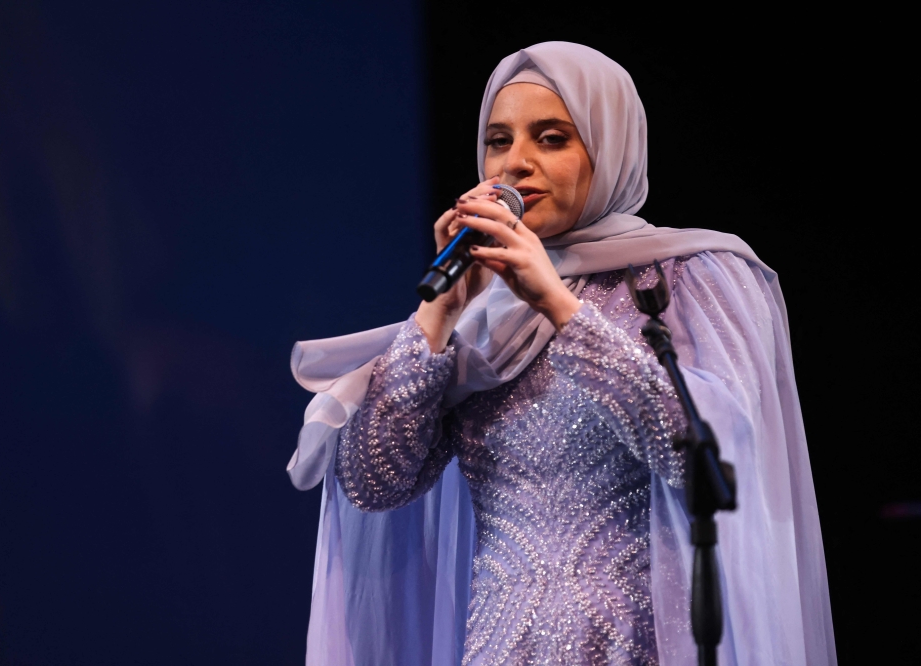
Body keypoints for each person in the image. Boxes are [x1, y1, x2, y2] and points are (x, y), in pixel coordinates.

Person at [288, 42, 835, 666]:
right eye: (498, 140)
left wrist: (559, 305)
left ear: (611, 147)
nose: (515, 163)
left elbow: (708, 456)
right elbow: (374, 482)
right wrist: (438, 315)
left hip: (645, 647)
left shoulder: (689, 274)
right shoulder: (488, 313)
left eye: (551, 139)